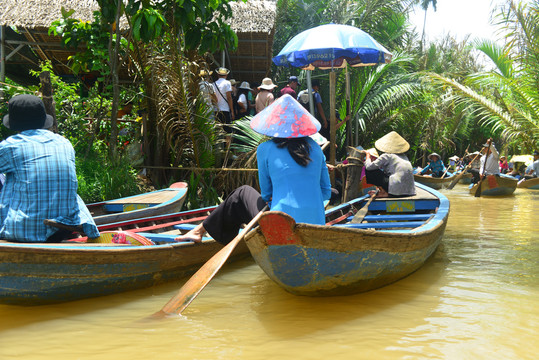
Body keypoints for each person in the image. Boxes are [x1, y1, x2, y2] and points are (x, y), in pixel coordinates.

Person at [175, 94, 331, 244]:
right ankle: (204, 231)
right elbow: (326, 192)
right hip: (316, 224)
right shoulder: (316, 148)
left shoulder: (265, 148)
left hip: (281, 224)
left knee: (242, 193)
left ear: (274, 125)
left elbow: (266, 193)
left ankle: (201, 231)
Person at [0, 94, 100, 242]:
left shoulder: (11, 146)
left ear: (15, 124)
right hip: (64, 228)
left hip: (24, 232)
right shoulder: (64, 142)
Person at [364, 131, 416, 198]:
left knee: (369, 170)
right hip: (410, 191)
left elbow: (369, 167)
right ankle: (384, 191)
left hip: (396, 189)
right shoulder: (404, 156)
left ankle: (385, 192)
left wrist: (368, 156)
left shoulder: (387, 155)